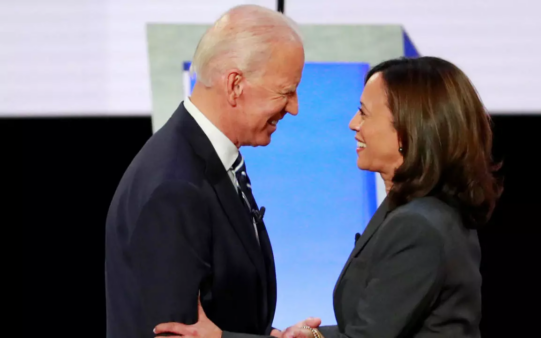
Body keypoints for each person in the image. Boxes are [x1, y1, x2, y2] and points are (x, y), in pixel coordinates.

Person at [155, 56, 502, 338]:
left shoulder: (419, 226)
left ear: (409, 130)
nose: (353, 124)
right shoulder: (418, 209)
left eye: (364, 113)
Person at [104, 5, 318, 338]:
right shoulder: (176, 186)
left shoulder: (206, 160)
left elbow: (223, 312)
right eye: (285, 92)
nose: (294, 107)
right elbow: (177, 334)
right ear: (235, 85)